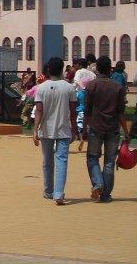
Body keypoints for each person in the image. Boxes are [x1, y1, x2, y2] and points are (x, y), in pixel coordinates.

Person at [32, 56, 78, 205]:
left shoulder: (41, 88)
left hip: (46, 129)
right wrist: (74, 129)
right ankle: (59, 193)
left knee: (47, 161)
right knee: (61, 161)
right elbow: (73, 112)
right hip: (64, 129)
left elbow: (39, 110)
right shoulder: (69, 88)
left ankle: (48, 191)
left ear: (48, 70)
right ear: (62, 70)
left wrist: (35, 130)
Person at [85, 56, 131, 203]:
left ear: (97, 69)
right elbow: (121, 112)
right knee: (110, 162)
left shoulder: (91, 86)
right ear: (110, 69)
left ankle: (98, 184)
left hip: (96, 127)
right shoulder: (117, 87)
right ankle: (106, 195)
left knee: (92, 158)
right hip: (113, 128)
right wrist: (126, 131)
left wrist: (83, 129)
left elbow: (87, 111)